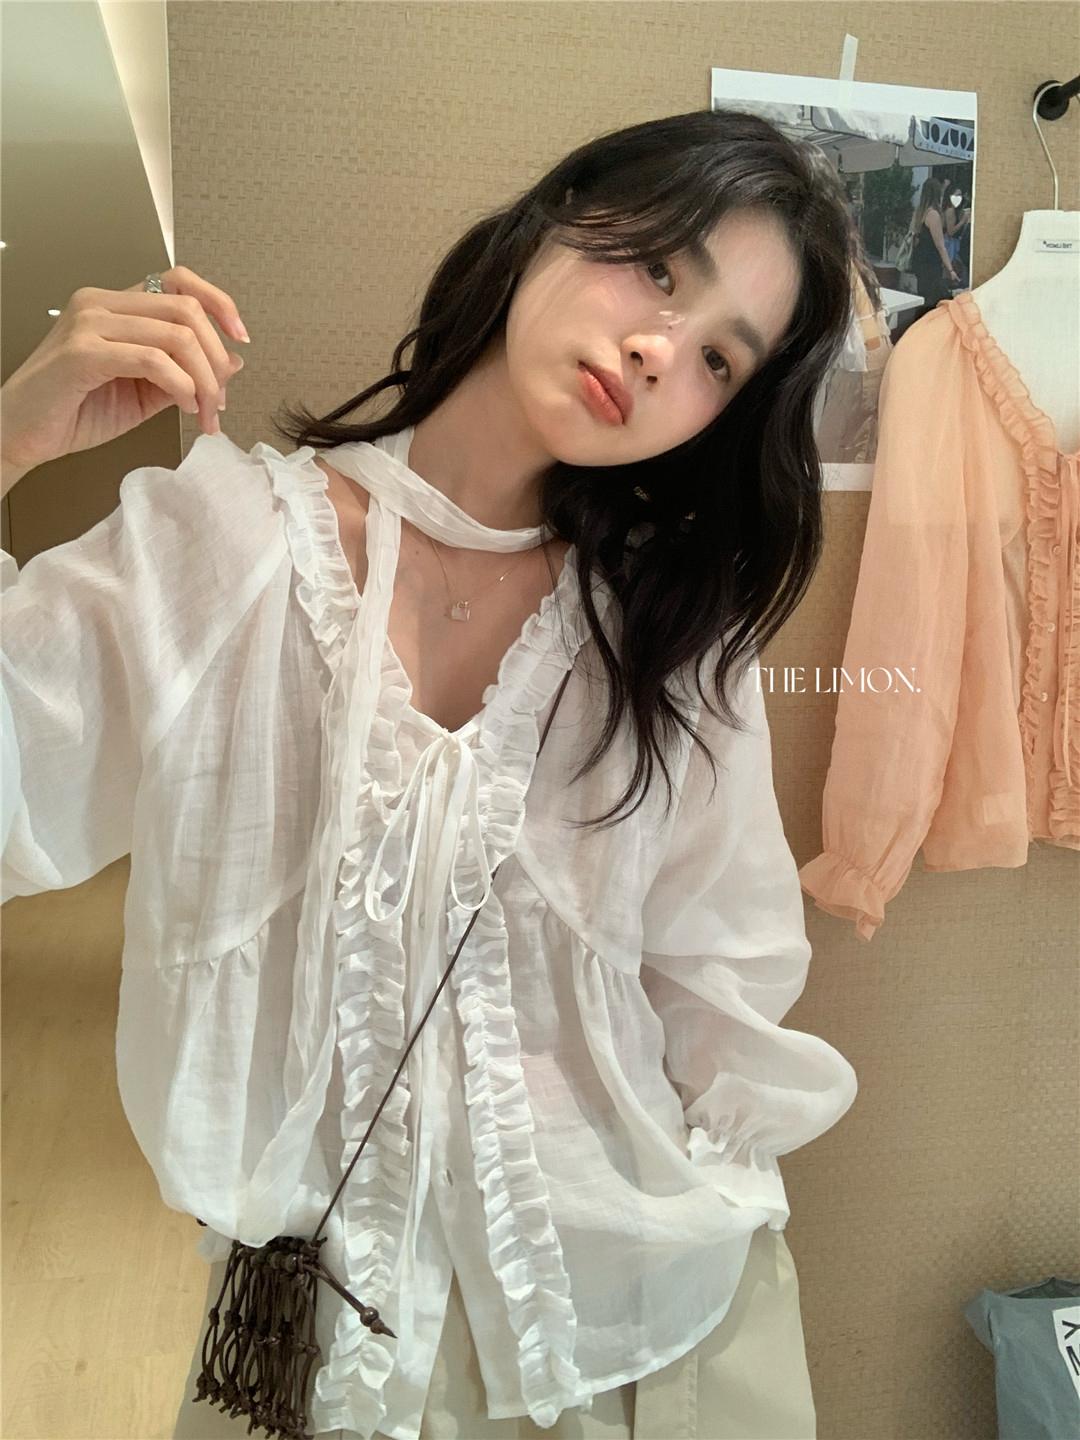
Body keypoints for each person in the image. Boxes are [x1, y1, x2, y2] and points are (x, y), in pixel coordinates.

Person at [1, 108, 859, 1440]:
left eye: (717, 360)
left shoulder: (669, 640)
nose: (658, 348)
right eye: (660, 267)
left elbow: (721, 978)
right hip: (312, 1336)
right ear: (557, 216)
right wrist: (4, 443)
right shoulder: (226, 545)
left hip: (634, 1325)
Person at [908, 175, 961, 321]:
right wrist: (950, 269)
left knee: (923, 296)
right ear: (937, 194)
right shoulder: (933, 215)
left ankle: (919, 324)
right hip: (930, 262)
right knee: (933, 300)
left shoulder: (919, 212)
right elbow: (940, 245)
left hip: (919, 260)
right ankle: (927, 325)